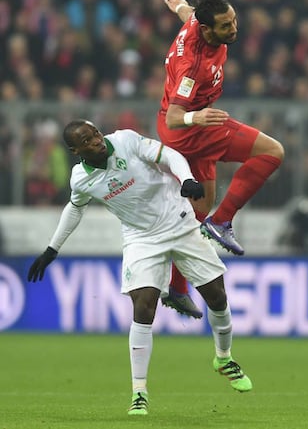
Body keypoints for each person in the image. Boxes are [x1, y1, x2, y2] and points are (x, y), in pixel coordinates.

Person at [27, 119, 252, 416]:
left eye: (94, 133)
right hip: (141, 239)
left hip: (180, 222)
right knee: (143, 307)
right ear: (75, 150)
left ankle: (224, 358)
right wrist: (52, 248)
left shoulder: (125, 141)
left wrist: (185, 178)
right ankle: (139, 393)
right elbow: (75, 207)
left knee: (217, 298)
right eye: (87, 140)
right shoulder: (81, 178)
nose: (96, 140)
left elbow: (170, 155)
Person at [157, 0, 284, 318]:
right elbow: (174, 116)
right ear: (208, 30)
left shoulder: (198, 22)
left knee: (198, 210)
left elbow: (190, 16)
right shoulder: (193, 65)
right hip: (191, 130)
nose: (234, 28)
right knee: (272, 152)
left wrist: (181, 6)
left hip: (189, 128)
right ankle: (224, 221)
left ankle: (177, 288)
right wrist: (196, 117)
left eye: (234, 20)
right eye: (226, 25)